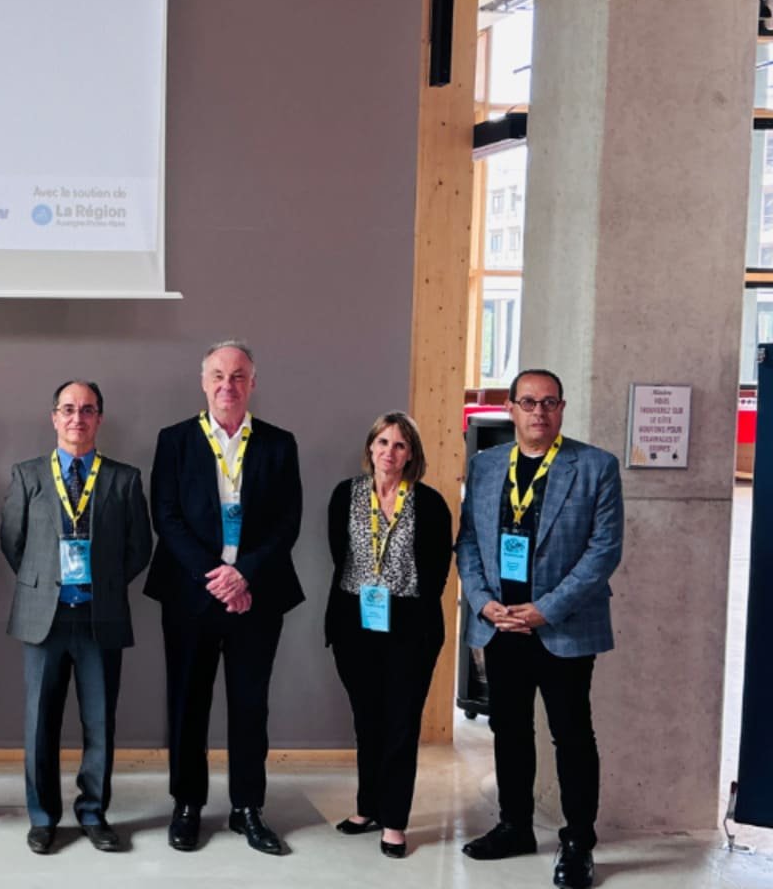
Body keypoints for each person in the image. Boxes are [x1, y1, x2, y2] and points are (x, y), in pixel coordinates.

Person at [456, 369, 622, 889]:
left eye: (549, 403)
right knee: (508, 729)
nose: (538, 412)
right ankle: (514, 826)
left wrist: (545, 609)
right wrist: (483, 603)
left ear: (562, 408)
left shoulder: (595, 466)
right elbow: (468, 544)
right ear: (511, 409)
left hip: (562, 626)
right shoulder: (485, 466)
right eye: (528, 402)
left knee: (571, 734)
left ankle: (577, 842)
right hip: (501, 625)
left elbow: (603, 553)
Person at [146, 339, 303, 855]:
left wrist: (244, 576)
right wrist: (215, 575)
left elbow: (287, 523)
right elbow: (165, 516)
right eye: (218, 375)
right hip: (191, 593)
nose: (227, 385)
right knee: (188, 703)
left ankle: (247, 808)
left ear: (253, 383)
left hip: (256, 596)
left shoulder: (280, 444)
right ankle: (188, 805)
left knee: (250, 705)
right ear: (203, 382)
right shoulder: (175, 441)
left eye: (238, 376)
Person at [0, 380, 152, 855]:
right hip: (44, 617)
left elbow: (138, 548)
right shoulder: (28, 476)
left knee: (99, 723)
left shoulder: (124, 479)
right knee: (39, 723)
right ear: (53, 417)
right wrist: (46, 583)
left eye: (87, 410)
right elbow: (13, 542)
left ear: (99, 419)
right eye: (68, 409)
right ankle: (43, 818)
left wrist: (101, 583)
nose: (77, 418)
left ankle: (93, 813)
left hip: (98, 617)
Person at [325, 412, 453, 859]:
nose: (389, 452)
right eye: (382, 442)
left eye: (400, 445)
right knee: (367, 721)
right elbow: (339, 557)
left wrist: (400, 607)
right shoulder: (346, 496)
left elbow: (437, 573)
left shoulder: (430, 503)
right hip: (354, 623)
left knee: (400, 724)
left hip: (409, 627)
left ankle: (394, 821)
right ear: (370, 448)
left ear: (411, 453)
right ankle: (367, 808)